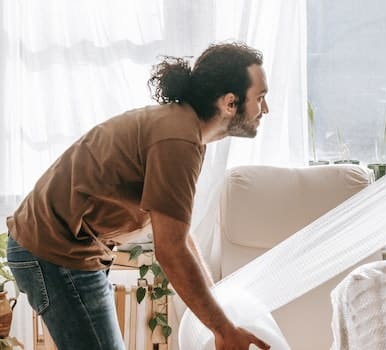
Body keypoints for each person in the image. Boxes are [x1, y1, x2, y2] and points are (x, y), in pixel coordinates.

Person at [6, 42, 271, 350]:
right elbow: (170, 251)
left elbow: (180, 236)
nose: (265, 109)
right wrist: (223, 330)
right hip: (53, 252)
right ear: (229, 103)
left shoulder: (185, 131)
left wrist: (218, 307)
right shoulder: (177, 139)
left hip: (68, 250)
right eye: (260, 98)